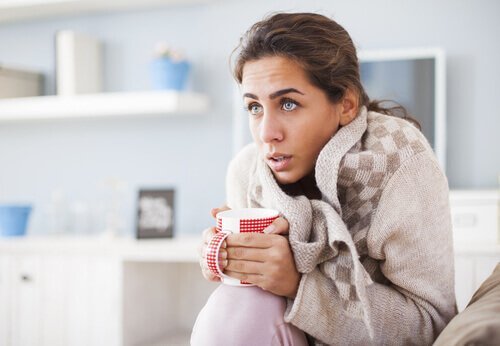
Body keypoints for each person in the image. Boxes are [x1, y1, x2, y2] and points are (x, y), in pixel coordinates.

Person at [192, 12, 457, 345]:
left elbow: (431, 327)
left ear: (345, 104)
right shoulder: (248, 172)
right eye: (254, 107)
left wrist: (297, 282)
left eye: (288, 104)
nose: (266, 134)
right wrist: (225, 259)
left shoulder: (400, 162)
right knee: (237, 301)